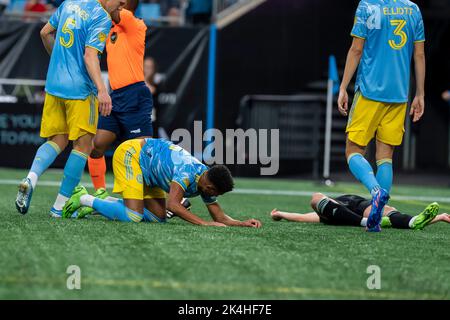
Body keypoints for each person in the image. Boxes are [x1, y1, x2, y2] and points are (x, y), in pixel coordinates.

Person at [15, 0, 125, 217]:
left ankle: (31, 178)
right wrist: (102, 91)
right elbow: (90, 55)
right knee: (83, 146)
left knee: (57, 140)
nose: (123, 2)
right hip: (80, 90)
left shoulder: (69, 3)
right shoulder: (101, 17)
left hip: (55, 84)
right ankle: (59, 207)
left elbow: (45, 33)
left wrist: (59, 62)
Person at [338, 0, 426, 232]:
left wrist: (343, 86)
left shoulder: (367, 6)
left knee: (353, 150)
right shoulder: (413, 9)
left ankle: (375, 192)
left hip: (369, 91)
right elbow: (419, 54)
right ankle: (378, 215)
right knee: (385, 156)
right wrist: (420, 94)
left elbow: (356, 49)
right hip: (398, 94)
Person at [62, 138, 262, 228]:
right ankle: (85, 198)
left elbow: (218, 216)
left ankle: (103, 202)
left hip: (150, 170)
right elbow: (173, 204)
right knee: (133, 216)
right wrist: (204, 223)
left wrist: (241, 223)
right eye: (216, 193)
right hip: (132, 155)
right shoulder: (189, 172)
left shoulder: (206, 179)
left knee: (158, 218)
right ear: (210, 187)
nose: (214, 196)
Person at [87, 0, 153, 215]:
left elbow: (106, 7)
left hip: (135, 96)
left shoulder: (134, 22)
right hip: (115, 97)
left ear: (126, 4)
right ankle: (100, 194)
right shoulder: (110, 28)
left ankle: (165, 200)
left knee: (144, 155)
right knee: (96, 146)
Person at [271, 193, 450, 231]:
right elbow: (303, 218)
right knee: (316, 198)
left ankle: (414, 221)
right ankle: (369, 222)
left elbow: (301, 217)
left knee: (388, 211)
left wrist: (440, 217)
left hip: (358, 204)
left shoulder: (325, 214)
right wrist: (280, 214)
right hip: (356, 212)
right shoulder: (324, 216)